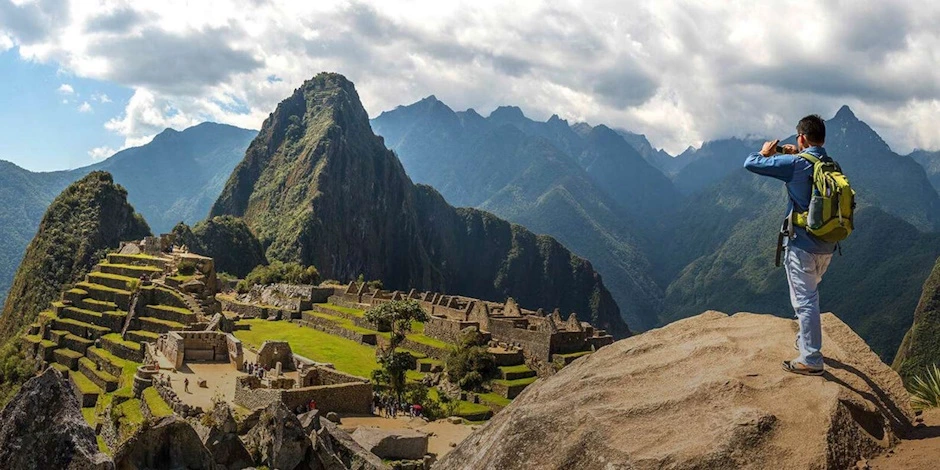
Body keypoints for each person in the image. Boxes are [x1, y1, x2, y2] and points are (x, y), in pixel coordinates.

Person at [744, 114, 835, 376]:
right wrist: (793, 153)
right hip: (827, 245)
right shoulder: (829, 163)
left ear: (802, 138)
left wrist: (765, 152)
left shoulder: (796, 164)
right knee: (810, 297)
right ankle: (807, 343)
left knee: (805, 302)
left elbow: (752, 163)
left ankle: (811, 359)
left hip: (802, 245)